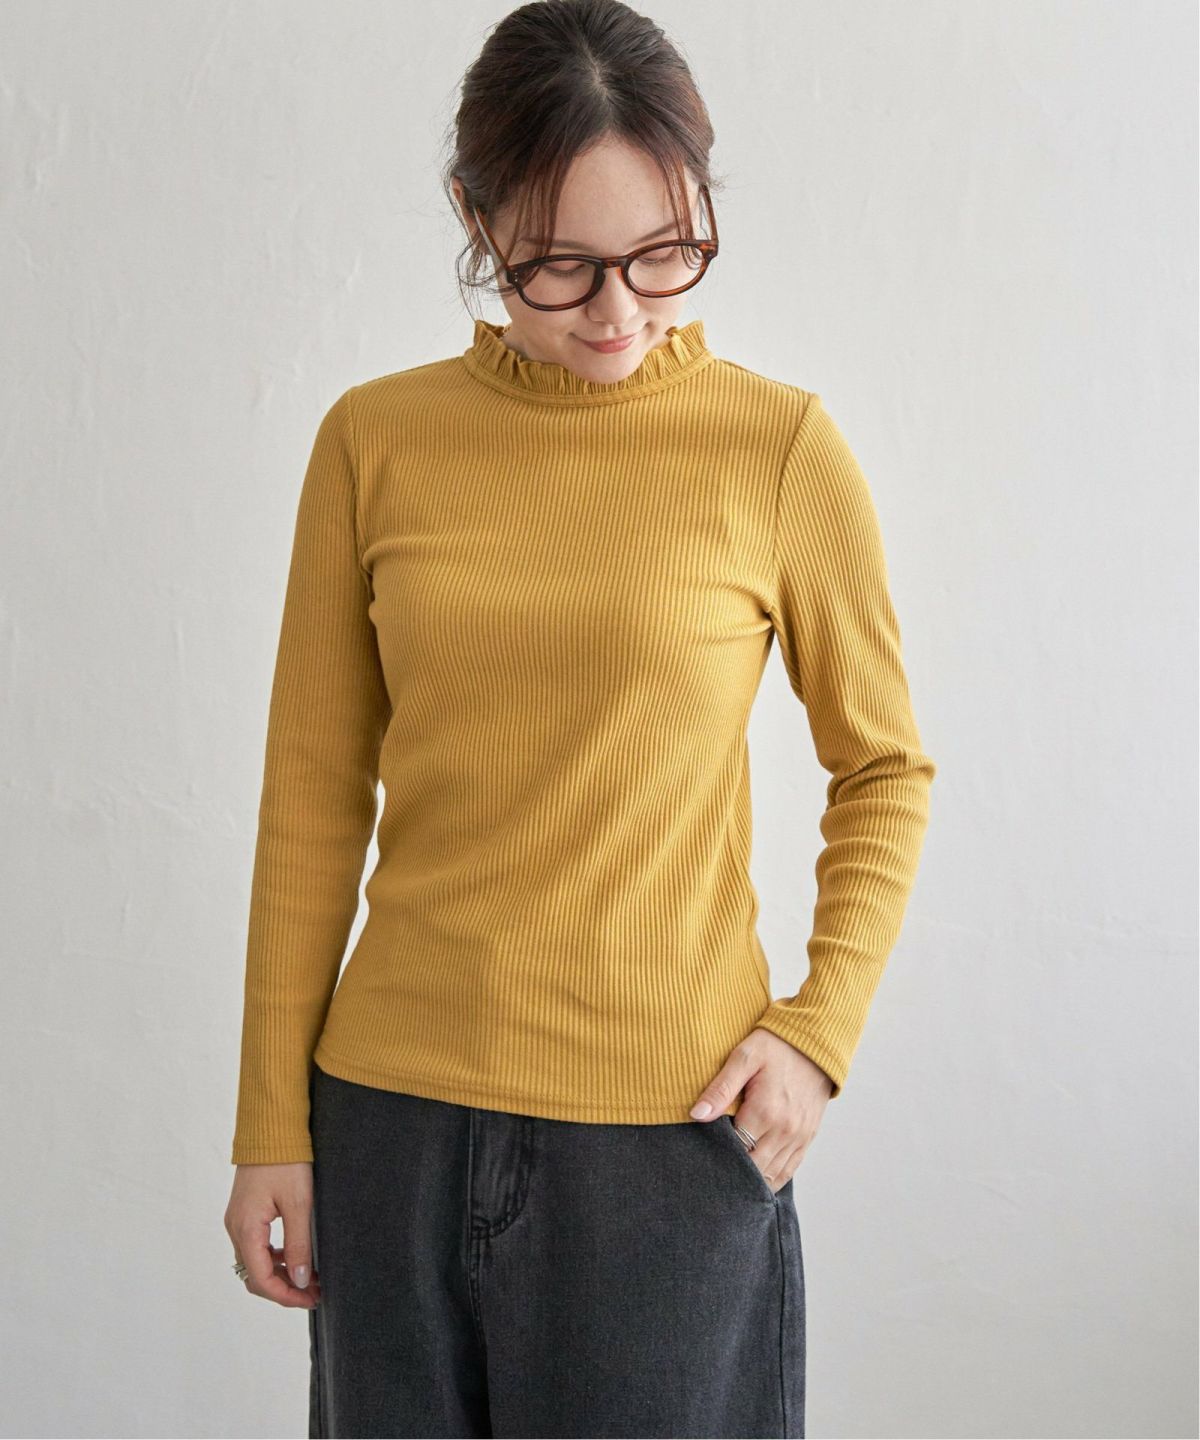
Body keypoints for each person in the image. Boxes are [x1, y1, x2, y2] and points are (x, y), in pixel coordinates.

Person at [223, 1, 936, 1435]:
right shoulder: (374, 442)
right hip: (392, 1126)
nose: (617, 312)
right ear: (474, 217)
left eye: (664, 253)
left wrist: (818, 1033)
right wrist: (268, 1128)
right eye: (558, 265)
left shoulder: (779, 448)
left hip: (672, 1140)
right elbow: (312, 796)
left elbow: (883, 767)